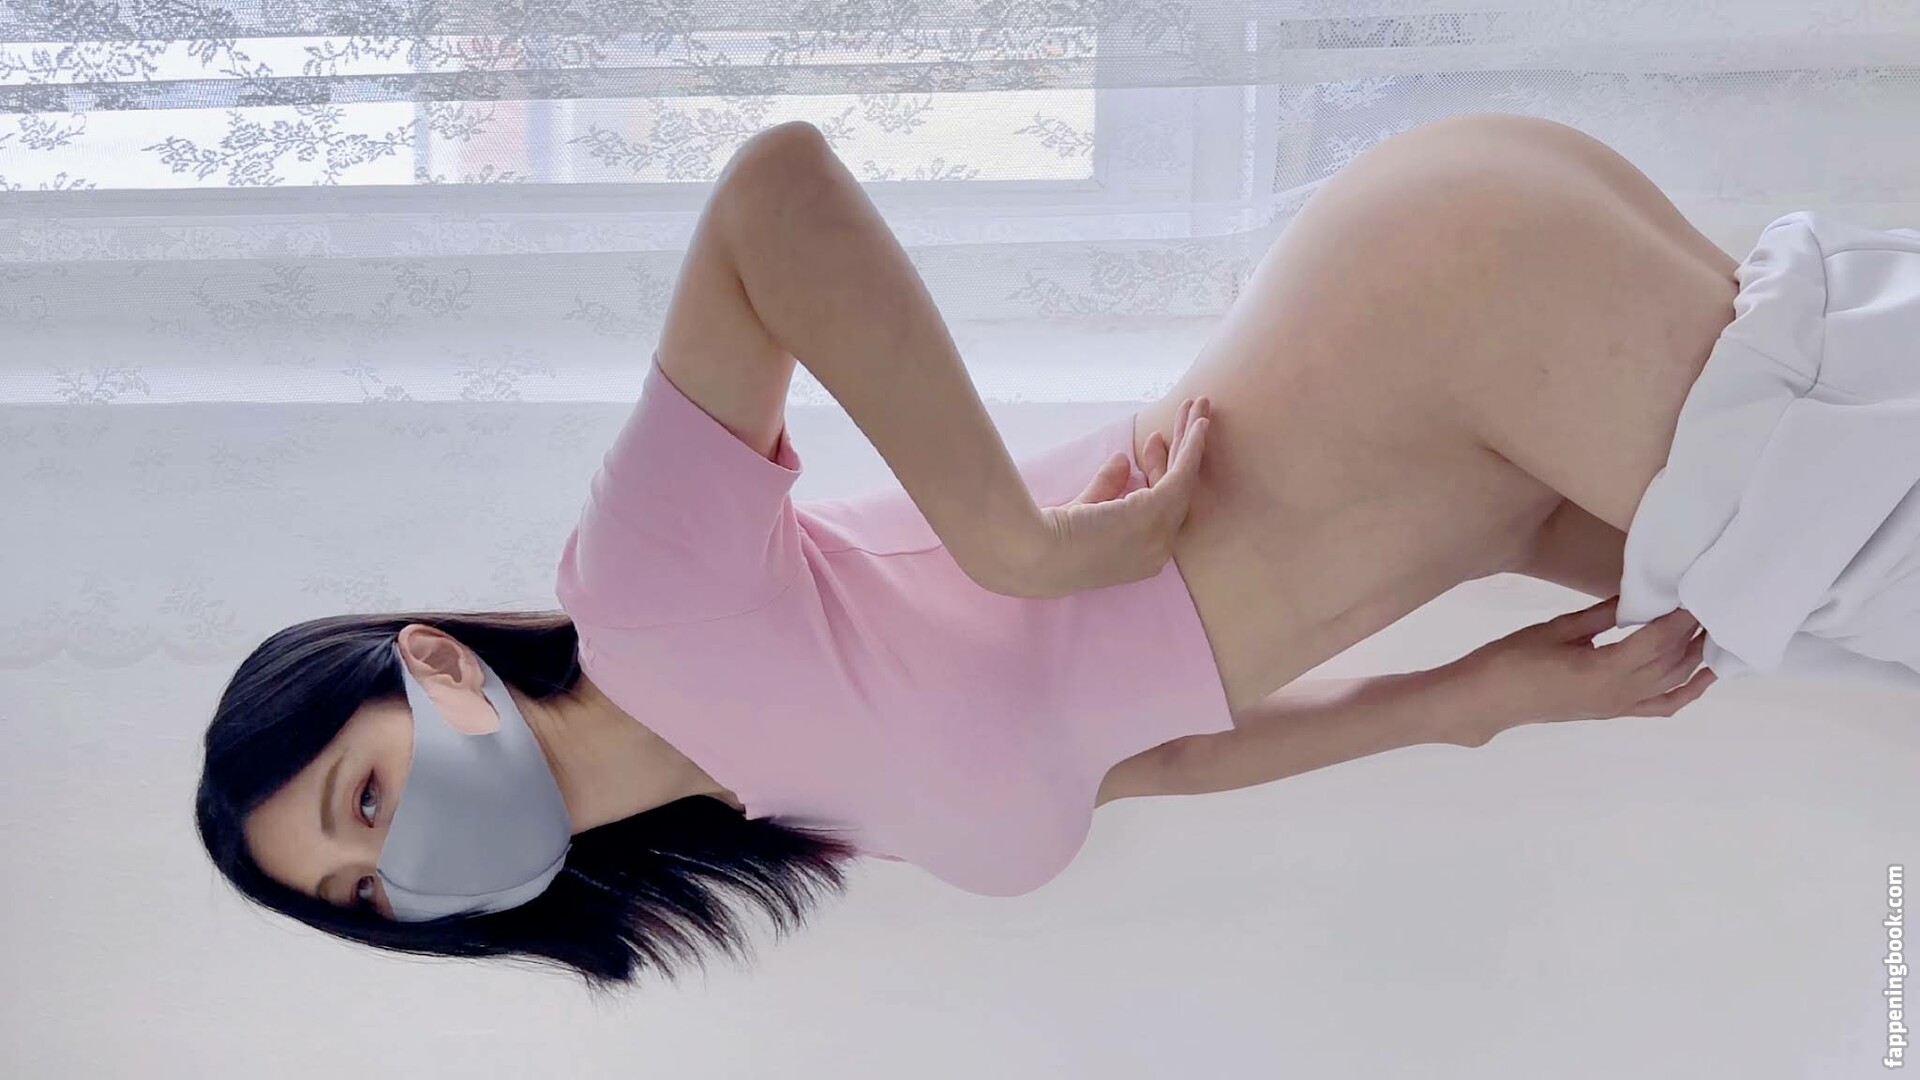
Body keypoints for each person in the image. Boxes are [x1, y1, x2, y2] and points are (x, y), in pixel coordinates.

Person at [199, 112, 1918, 992]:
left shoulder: (641, 599)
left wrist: (1014, 543)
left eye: (369, 798)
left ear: (437, 667)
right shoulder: (778, 807)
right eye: (365, 892)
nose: (404, 864)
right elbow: (1151, 754)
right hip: (1487, 488)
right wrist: (1465, 705)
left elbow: (774, 201)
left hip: (1434, 330)